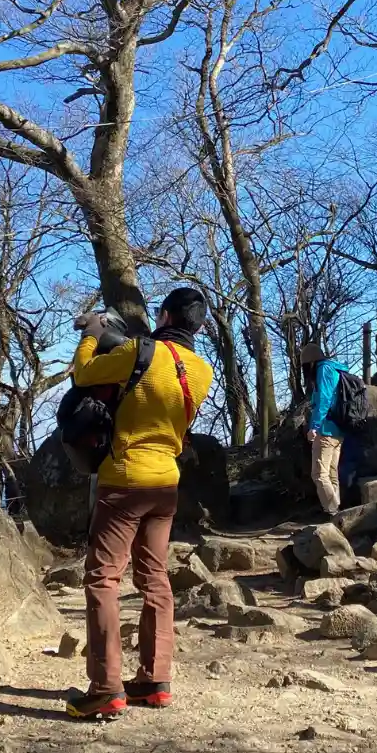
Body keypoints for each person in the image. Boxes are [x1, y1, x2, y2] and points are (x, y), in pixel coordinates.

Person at [65, 288, 214, 720]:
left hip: (125, 477)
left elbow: (84, 374)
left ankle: (106, 687)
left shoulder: (141, 351)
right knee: (154, 578)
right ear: (199, 326)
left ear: (164, 315)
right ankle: (154, 679)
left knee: (102, 579)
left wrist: (91, 333)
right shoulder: (201, 371)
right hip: (167, 483)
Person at [300, 341, 357, 517]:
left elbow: (324, 400)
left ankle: (333, 512)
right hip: (339, 430)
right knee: (331, 474)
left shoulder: (323, 370)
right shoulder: (337, 369)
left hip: (325, 430)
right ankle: (337, 512)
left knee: (319, 474)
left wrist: (314, 427)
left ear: (310, 362)